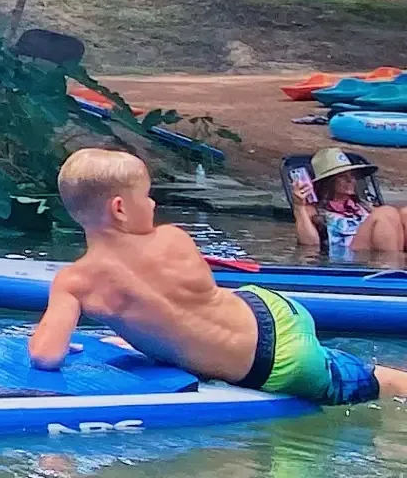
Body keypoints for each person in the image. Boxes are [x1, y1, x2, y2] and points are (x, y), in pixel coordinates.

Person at [29, 148, 407, 404]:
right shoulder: (174, 239)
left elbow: (46, 356)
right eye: (146, 196)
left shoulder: (75, 282)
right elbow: (177, 308)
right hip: (269, 309)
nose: (153, 204)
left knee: (365, 380)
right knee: (365, 374)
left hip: (275, 365)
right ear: (121, 209)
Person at [286, 147, 405, 259]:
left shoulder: (364, 206)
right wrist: (299, 207)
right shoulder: (313, 210)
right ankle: (392, 270)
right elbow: (310, 245)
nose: (350, 180)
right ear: (327, 182)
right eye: (342, 177)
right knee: (385, 212)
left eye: (352, 176)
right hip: (349, 256)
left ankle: (397, 266)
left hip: (375, 252)